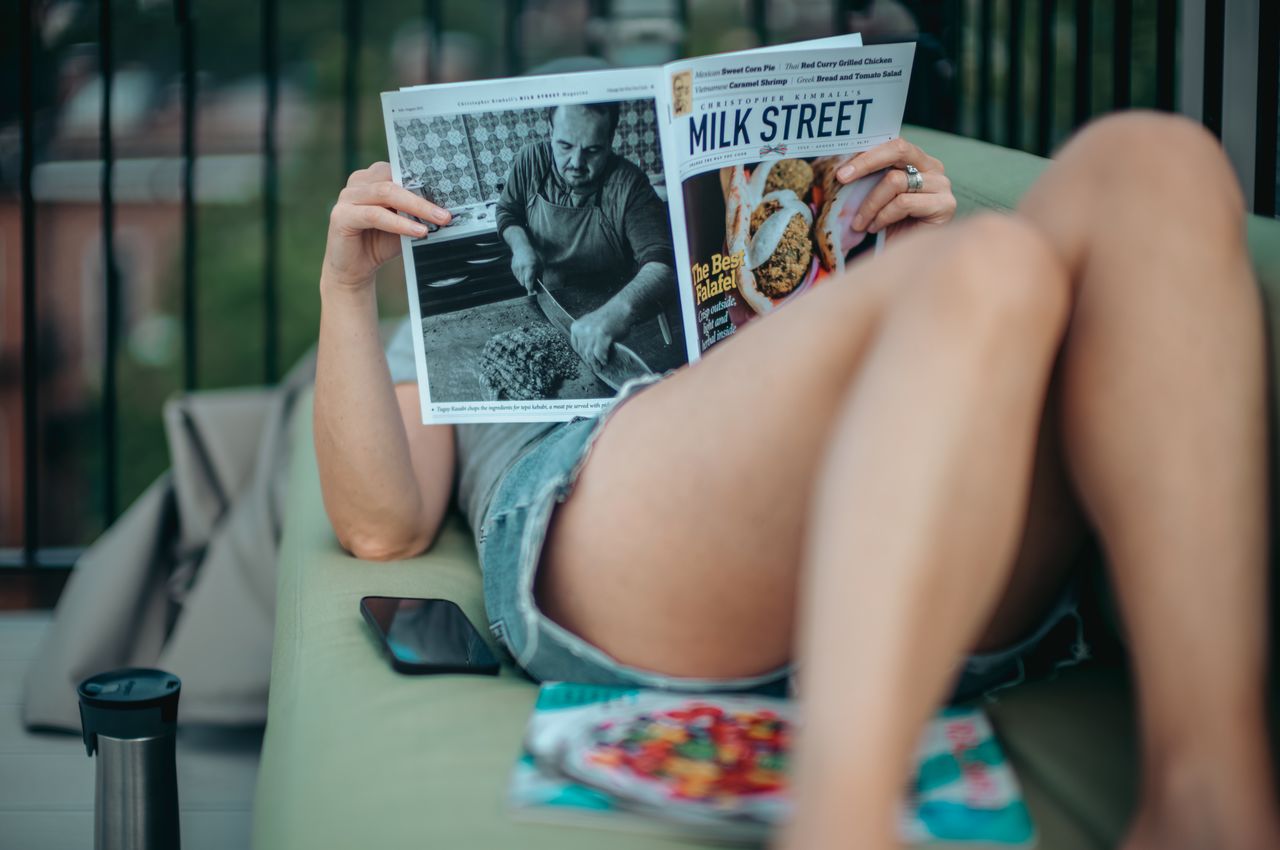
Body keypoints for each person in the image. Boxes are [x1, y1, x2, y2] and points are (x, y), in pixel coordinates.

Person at [315, 110, 1280, 850]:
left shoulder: (633, 204)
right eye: (559, 156)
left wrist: (893, 250)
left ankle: (1210, 799)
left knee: (1158, 159)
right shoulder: (450, 319)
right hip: (628, 513)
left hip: (929, 529)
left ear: (610, 153)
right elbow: (381, 527)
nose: (570, 168)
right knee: (986, 264)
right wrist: (348, 289)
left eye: (587, 155)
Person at [496, 102, 675, 365]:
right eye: (565, 146)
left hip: (612, 321)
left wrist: (617, 312)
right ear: (551, 130)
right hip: (551, 302)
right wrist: (520, 245)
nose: (576, 163)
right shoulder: (531, 161)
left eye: (592, 150)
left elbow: (662, 264)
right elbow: (507, 212)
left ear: (610, 139)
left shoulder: (630, 184)